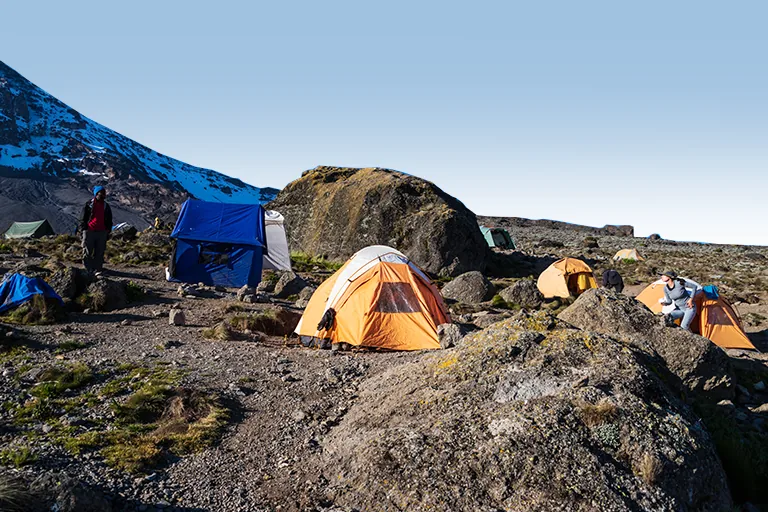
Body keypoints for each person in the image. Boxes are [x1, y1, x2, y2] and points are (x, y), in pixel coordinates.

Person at [80, 185, 112, 276]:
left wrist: (108, 230)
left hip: (102, 231)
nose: (102, 195)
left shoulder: (106, 206)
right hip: (90, 230)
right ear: (96, 194)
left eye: (103, 193)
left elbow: (109, 219)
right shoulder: (89, 204)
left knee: (99, 252)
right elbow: (83, 217)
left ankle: (98, 269)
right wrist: (83, 229)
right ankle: (88, 269)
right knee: (87, 251)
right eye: (100, 193)